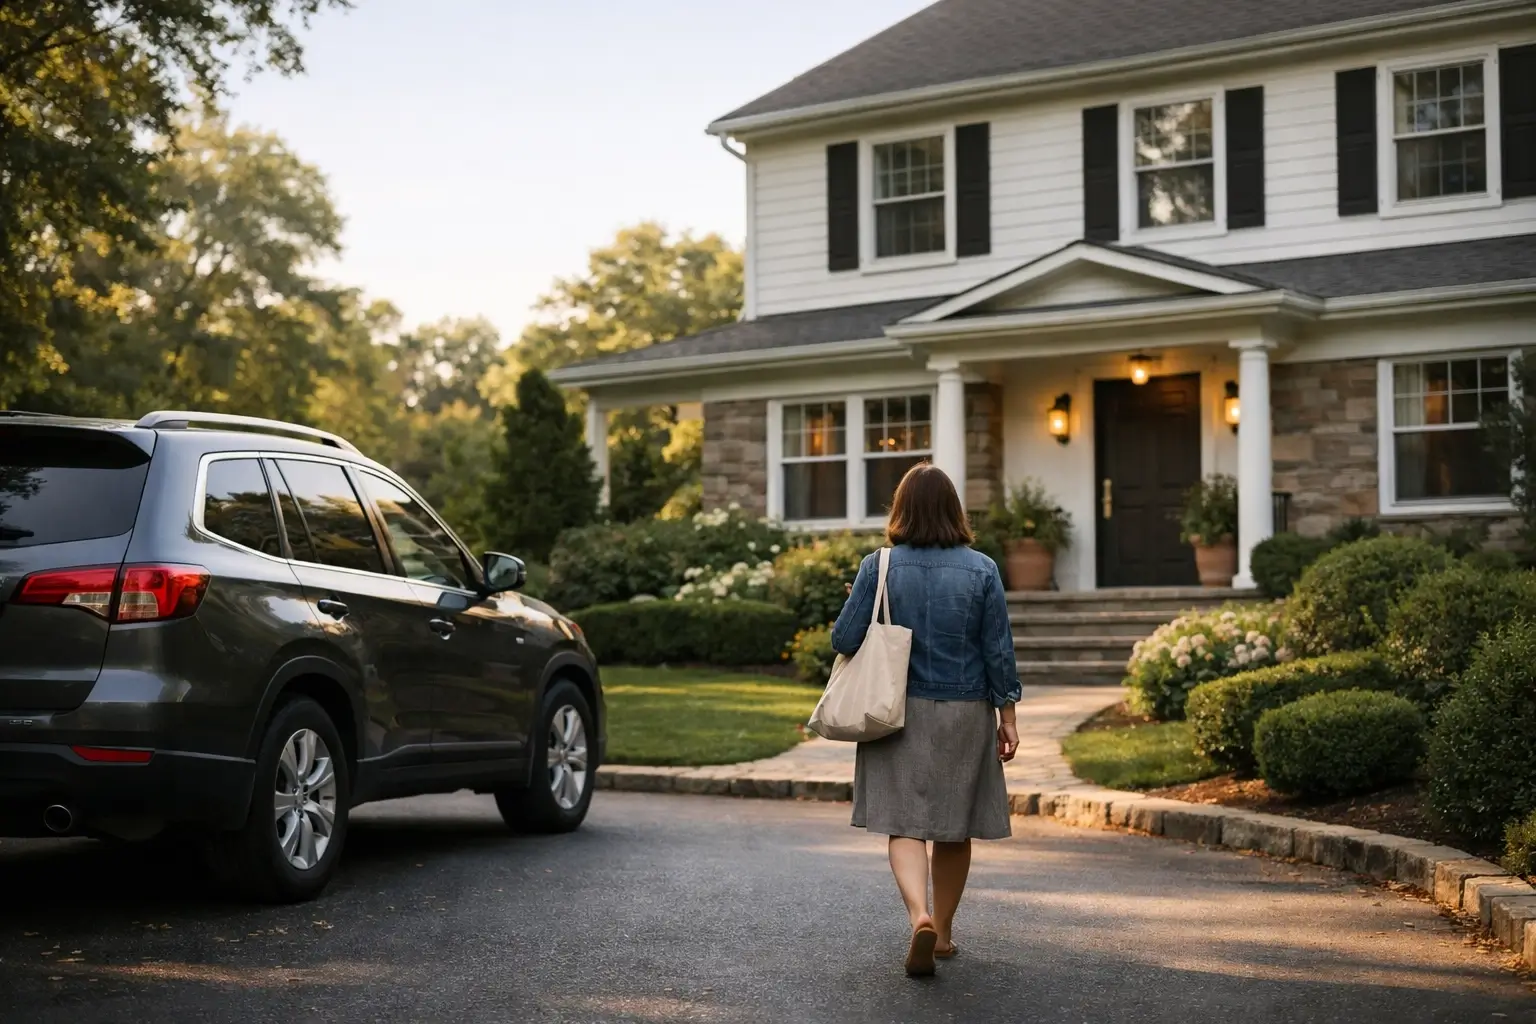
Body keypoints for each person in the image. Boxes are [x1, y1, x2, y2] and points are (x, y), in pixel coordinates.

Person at [830, 462, 1021, 978]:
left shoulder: (880, 565)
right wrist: (1007, 714)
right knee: (954, 829)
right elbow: (997, 649)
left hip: (896, 712)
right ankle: (944, 930)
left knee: (904, 822)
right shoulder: (982, 569)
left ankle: (918, 916)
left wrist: (858, 599)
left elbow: (844, 641)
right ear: (954, 510)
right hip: (964, 711)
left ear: (901, 510)